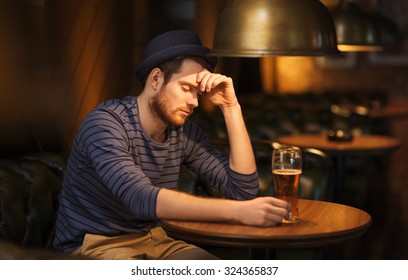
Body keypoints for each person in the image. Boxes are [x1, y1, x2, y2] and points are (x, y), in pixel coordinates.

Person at [53, 30, 290, 260]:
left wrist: (231, 108)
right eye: (186, 88)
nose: (194, 102)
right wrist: (239, 213)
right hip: (93, 246)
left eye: (198, 93)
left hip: (154, 239)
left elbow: (243, 192)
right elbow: (139, 198)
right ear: (156, 79)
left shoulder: (183, 133)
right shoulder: (105, 123)